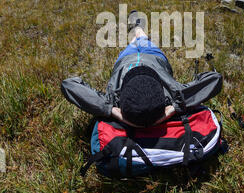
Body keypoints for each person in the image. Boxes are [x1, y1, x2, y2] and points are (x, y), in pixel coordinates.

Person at [61, 11, 222, 128]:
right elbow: (215, 79)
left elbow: (69, 84)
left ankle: (136, 29)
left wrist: (110, 110)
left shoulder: (113, 99)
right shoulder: (172, 94)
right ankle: (138, 28)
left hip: (127, 58)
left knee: (134, 40)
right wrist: (174, 108)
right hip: (154, 56)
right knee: (143, 38)